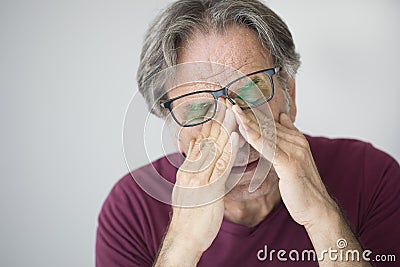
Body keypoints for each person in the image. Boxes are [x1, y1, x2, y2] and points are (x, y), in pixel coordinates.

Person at [96, 0, 400, 266]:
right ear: (172, 124)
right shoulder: (130, 210)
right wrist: (183, 245)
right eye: (199, 110)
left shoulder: (371, 175)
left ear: (289, 94)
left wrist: (322, 217)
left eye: (252, 92)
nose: (236, 133)